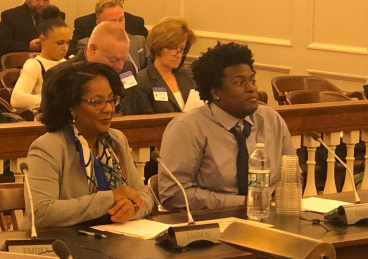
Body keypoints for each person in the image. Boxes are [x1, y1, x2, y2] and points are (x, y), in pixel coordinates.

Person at [158, 42, 296, 210]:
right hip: (211, 222)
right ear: (216, 93)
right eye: (239, 83)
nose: (252, 89)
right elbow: (173, 194)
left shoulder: (271, 120)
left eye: (252, 80)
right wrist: (245, 203)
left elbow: (293, 177)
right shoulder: (187, 128)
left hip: (268, 216)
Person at [22, 62, 153, 228]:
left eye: (111, 100)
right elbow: (40, 212)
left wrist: (132, 208)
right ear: (72, 107)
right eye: (97, 102)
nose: (109, 109)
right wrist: (110, 198)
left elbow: (144, 196)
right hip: (61, 245)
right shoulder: (48, 147)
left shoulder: (116, 140)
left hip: (113, 240)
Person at [43, 21, 152, 115]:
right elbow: (54, 122)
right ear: (93, 49)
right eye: (113, 60)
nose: (120, 66)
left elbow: (140, 108)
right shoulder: (60, 76)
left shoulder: (128, 68)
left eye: (123, 59)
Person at [11, 5, 71, 110]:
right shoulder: (34, 65)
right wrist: (50, 101)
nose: (65, 48)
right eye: (60, 43)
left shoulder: (65, 63)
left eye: (67, 43)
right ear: (43, 40)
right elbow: (16, 99)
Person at [138, 17, 197, 113]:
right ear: (158, 47)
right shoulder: (143, 81)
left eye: (182, 49)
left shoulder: (188, 75)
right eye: (173, 48)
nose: (178, 55)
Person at [72, 0, 147, 72]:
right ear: (99, 24)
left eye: (121, 20)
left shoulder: (128, 65)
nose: (118, 25)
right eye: (112, 21)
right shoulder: (88, 45)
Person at [0, 0, 65, 56]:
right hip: (20, 65)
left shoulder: (57, 16)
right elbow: (0, 46)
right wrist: (28, 46)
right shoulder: (10, 16)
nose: (41, 4)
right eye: (37, 0)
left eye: (45, 0)